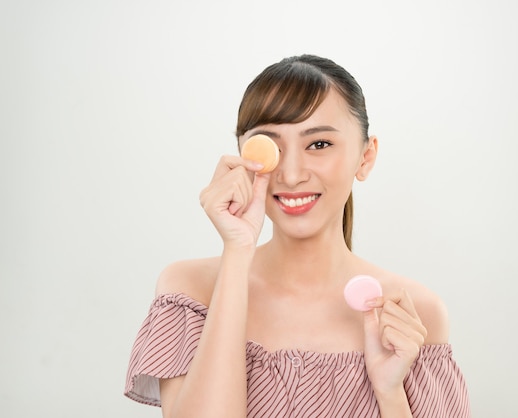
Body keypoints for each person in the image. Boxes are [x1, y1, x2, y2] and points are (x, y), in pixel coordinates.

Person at [124, 54, 471, 418]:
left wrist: (389, 393)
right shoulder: (190, 291)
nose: (290, 175)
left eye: (319, 144)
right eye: (270, 147)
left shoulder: (414, 313)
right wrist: (237, 252)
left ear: (365, 158)